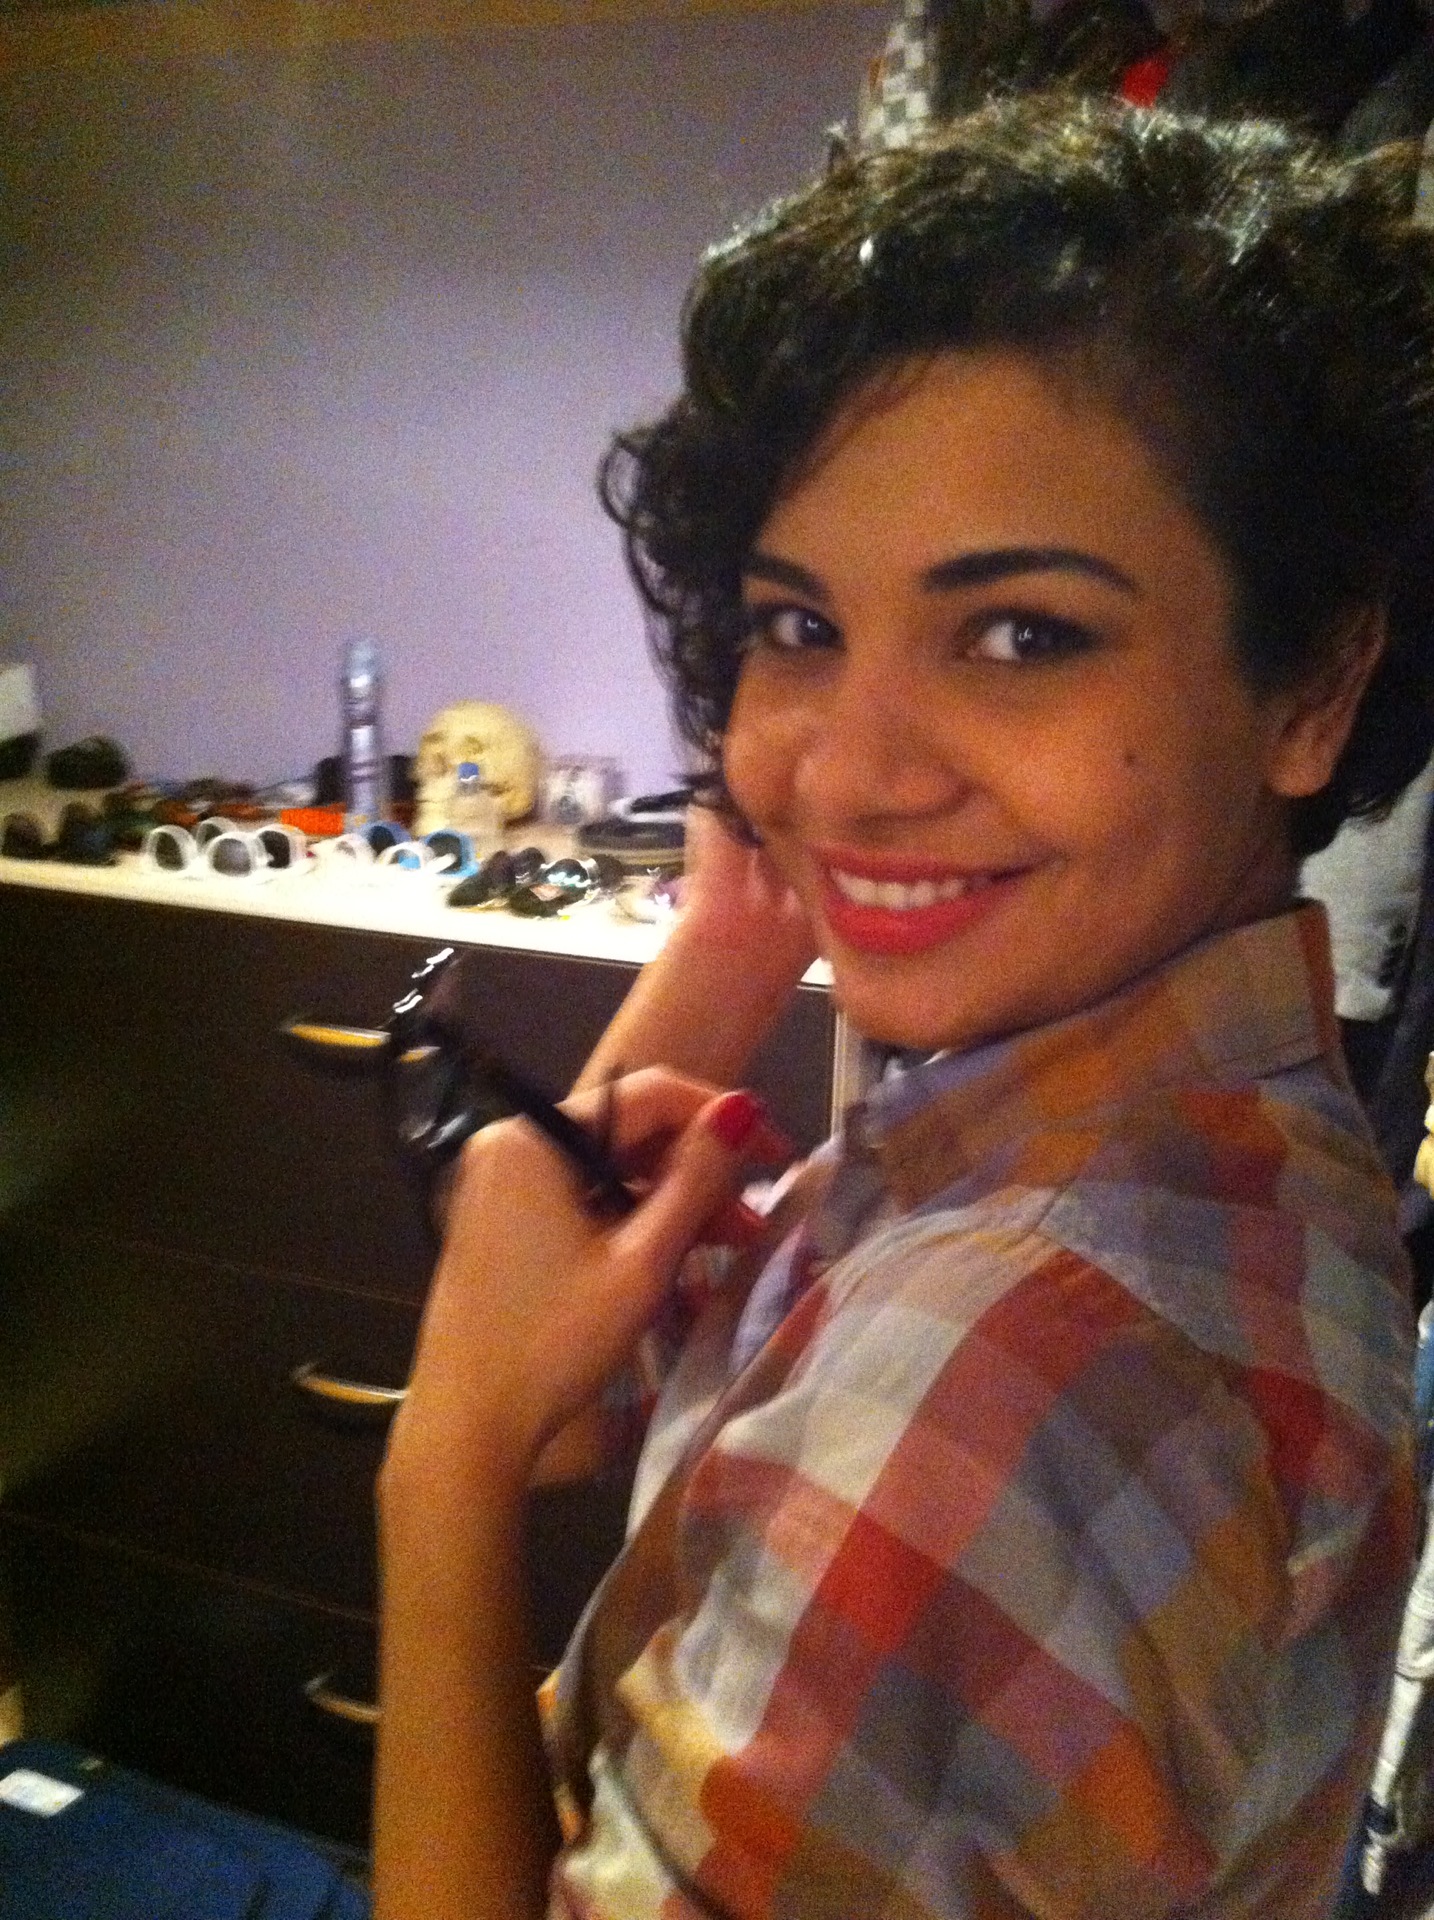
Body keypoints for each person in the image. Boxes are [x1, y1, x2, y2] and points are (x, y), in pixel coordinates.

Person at [372, 94, 1434, 1919]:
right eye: (797, 626)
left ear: (1312, 686)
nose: (848, 774)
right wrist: (726, 1007)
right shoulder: (1194, 1136)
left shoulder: (1017, 1357)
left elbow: (539, 1440)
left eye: (1020, 634)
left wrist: (440, 1466)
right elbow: (599, 1424)